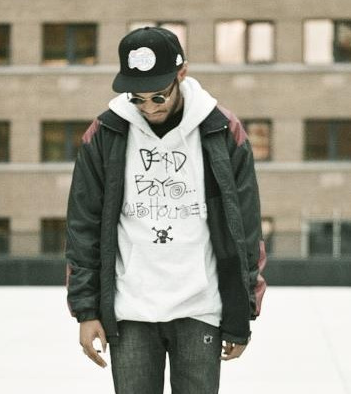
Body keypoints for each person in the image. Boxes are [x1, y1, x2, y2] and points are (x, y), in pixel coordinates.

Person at [66, 26, 266, 394]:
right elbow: (83, 226)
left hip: (200, 309)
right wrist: (86, 310)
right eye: (137, 98)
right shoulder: (106, 133)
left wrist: (242, 314)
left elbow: (246, 227)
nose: (149, 107)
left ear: (182, 74)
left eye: (159, 96)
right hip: (130, 312)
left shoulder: (221, 130)